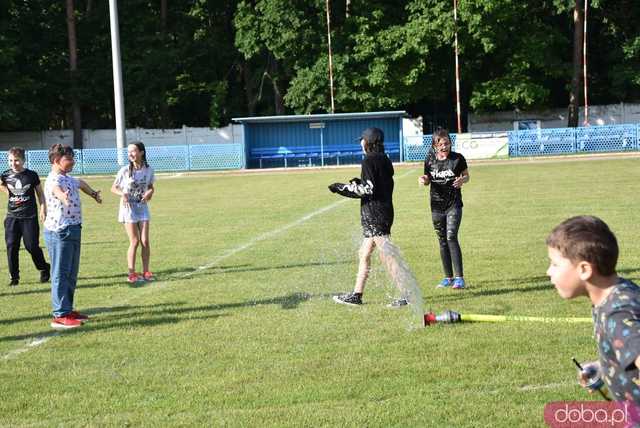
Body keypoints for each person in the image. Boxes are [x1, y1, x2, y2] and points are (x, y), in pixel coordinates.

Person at [546, 215, 640, 404]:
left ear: (584, 270)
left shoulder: (617, 313)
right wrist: (604, 368)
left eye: (555, 264)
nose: (549, 271)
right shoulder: (618, 292)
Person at [329, 127, 414, 308]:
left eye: (362, 140)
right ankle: (357, 295)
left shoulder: (368, 160)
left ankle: (407, 295)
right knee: (364, 253)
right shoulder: (384, 159)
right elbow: (375, 185)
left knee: (387, 256)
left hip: (375, 214)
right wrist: (359, 182)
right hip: (382, 211)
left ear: (368, 142)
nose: (361, 143)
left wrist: (341, 188)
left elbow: (366, 190)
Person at [44, 144, 102, 329]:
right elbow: (56, 191)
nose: (73, 161)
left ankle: (67, 310)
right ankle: (60, 314)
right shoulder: (54, 180)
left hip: (74, 229)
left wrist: (93, 194)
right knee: (60, 273)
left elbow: (81, 183)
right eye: (69, 159)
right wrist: (64, 197)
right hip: (60, 231)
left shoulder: (67, 178)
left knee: (71, 273)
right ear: (56, 161)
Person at [419, 128, 469, 289]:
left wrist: (463, 180)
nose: (445, 146)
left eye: (447, 143)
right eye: (441, 144)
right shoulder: (429, 160)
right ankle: (448, 278)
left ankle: (459, 278)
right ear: (435, 145)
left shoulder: (458, 159)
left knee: (451, 237)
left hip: (453, 204)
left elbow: (466, 175)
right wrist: (424, 179)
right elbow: (427, 179)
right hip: (436, 206)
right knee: (442, 241)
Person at [0, 147, 50, 286]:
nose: (13, 163)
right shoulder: (5, 175)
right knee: (11, 246)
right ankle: (14, 278)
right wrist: (10, 194)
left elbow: (40, 194)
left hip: (29, 216)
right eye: (10, 160)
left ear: (23, 160)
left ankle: (44, 268)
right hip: (12, 217)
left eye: (16, 160)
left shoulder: (32, 175)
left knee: (31, 246)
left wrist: (42, 209)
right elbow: (2, 185)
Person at [110, 141, 155, 284]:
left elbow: (151, 187)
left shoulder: (149, 170)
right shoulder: (124, 170)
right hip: (128, 209)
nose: (130, 154)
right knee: (134, 241)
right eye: (129, 151)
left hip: (142, 208)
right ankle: (131, 273)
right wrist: (122, 194)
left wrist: (149, 193)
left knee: (145, 241)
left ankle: (146, 271)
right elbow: (113, 188)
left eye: (134, 151)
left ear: (141, 152)